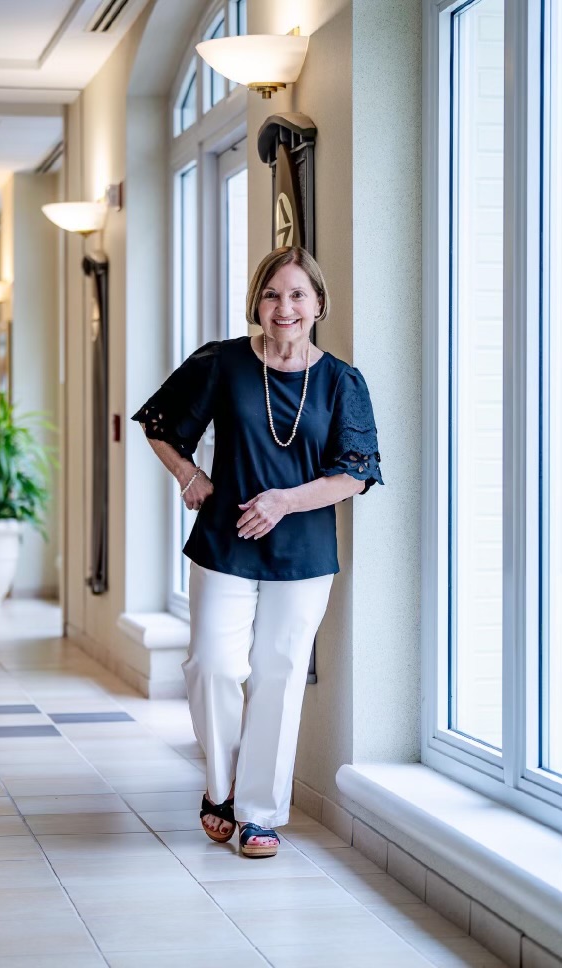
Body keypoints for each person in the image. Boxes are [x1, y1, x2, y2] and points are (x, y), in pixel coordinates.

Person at [132, 245, 383, 858]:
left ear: (318, 303)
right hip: (224, 541)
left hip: (302, 551)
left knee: (279, 673)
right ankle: (220, 787)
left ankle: (258, 812)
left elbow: (356, 472)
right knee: (212, 665)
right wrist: (189, 477)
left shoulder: (342, 382)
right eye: (272, 294)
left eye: (298, 294)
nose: (285, 307)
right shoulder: (224, 363)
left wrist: (285, 502)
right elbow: (159, 422)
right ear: (257, 303)